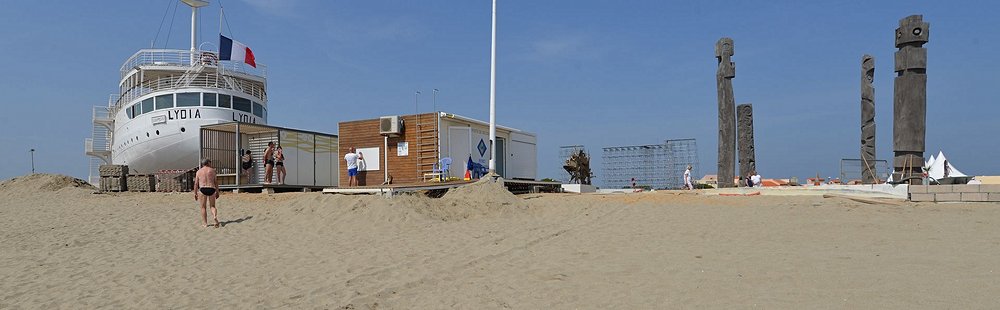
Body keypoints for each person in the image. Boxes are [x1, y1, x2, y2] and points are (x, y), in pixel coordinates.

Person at [194, 158, 221, 228]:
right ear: (208, 163)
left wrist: (195, 193)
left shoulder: (199, 172)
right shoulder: (213, 171)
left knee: (203, 207)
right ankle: (214, 216)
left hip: (203, 189)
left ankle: (205, 223)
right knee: (212, 206)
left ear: (203, 164)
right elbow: (216, 182)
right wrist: (217, 192)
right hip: (211, 188)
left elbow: (196, 183)